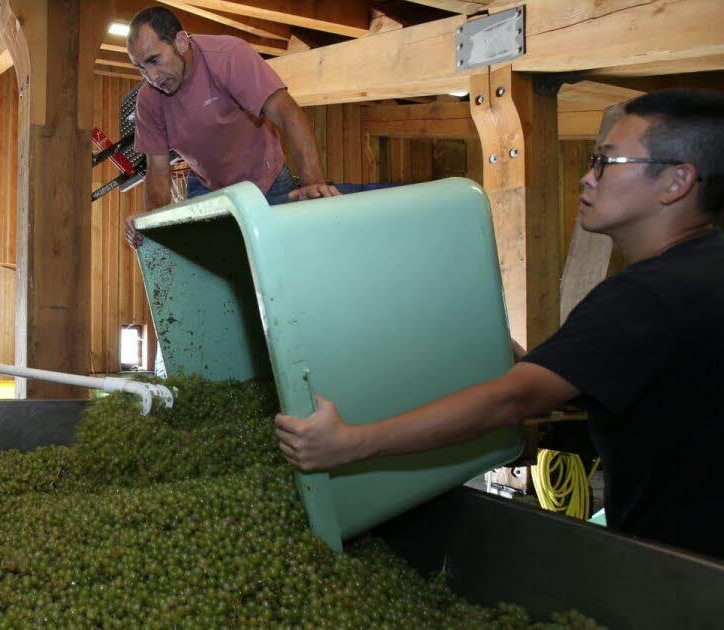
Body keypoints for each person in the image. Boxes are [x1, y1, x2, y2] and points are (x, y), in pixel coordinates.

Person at [274, 89, 724, 558]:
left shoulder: (643, 295)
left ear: (676, 182)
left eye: (607, 162)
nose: (587, 178)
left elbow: (513, 399)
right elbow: (591, 375)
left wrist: (351, 442)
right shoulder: (703, 268)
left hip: (687, 565)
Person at [123, 6, 341, 247]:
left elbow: (287, 114)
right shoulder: (148, 100)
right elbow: (157, 170)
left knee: (288, 252)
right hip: (209, 188)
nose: (152, 76)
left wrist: (314, 188)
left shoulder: (228, 56)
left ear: (181, 42)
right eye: (141, 68)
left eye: (154, 60)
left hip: (267, 180)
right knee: (216, 263)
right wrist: (151, 224)